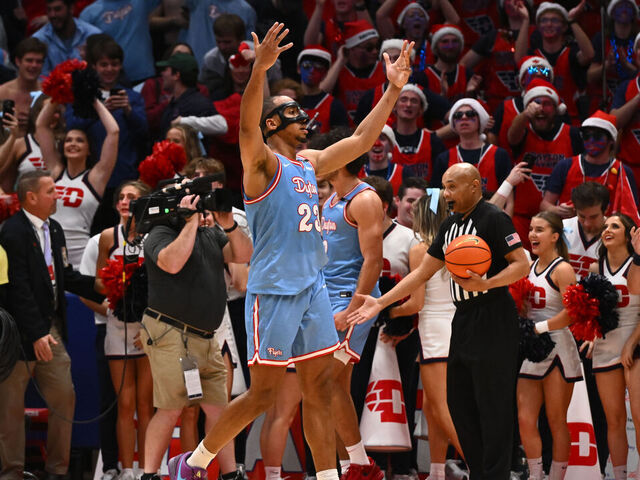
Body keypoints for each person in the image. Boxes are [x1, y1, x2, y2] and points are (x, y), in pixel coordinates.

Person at [165, 23, 414, 480]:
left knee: (319, 389)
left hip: (313, 289)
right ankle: (195, 461)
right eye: (296, 113)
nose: (307, 120)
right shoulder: (260, 163)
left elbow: (360, 141)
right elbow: (246, 122)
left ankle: (327, 476)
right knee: (264, 395)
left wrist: (392, 90)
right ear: (274, 123)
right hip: (274, 291)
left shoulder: (309, 163)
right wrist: (259, 70)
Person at [349, 163, 530, 479]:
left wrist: (487, 283)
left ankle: (498, 474)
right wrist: (380, 302)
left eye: (452, 187)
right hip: (462, 319)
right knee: (458, 405)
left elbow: (521, 264)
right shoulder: (450, 225)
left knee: (493, 405)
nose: (446, 194)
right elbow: (421, 273)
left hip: (494, 318)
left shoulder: (494, 218)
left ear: (474, 185)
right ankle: (480, 471)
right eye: (444, 187)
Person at [139, 182, 253, 480]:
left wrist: (228, 225)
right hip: (170, 333)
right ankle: (150, 474)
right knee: (170, 408)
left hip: (206, 337)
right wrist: (189, 223)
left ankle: (229, 474)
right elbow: (172, 263)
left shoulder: (209, 232)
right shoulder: (158, 234)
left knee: (218, 409)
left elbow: (243, 254)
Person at [0, 170, 104, 480]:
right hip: (18, 334)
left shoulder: (54, 228)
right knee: (10, 407)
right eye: (50, 191)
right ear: (31, 197)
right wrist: (36, 334)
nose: (57, 196)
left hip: (50, 329)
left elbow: (64, 276)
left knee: (64, 395)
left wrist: (101, 285)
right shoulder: (11, 232)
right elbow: (18, 290)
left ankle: (57, 470)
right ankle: (11, 472)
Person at [517, 211, 582, 480]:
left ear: (555, 236)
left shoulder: (563, 269)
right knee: (524, 418)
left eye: (540, 229)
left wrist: (539, 328)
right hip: (532, 347)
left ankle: (556, 476)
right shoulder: (527, 266)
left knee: (556, 420)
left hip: (557, 347)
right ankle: (535, 475)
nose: (532, 234)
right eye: (531, 228)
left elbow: (573, 312)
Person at [96, 180, 153, 480]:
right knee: (124, 403)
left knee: (146, 405)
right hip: (117, 326)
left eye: (132, 196)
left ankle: (146, 468)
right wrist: (115, 296)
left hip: (147, 328)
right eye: (121, 196)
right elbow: (96, 283)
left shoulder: (156, 236)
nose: (125, 201)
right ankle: (126, 470)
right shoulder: (108, 236)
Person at [66, 36, 148, 233]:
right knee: (95, 232)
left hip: (124, 176)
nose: (109, 69)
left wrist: (128, 110)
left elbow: (144, 132)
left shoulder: (132, 97)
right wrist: (100, 110)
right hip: (92, 177)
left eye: (114, 64)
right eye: (104, 64)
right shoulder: (82, 98)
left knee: (127, 230)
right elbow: (72, 125)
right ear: (94, 66)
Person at [412, 190, 463, 480]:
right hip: (454, 326)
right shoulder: (459, 245)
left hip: (433, 328)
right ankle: (436, 471)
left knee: (442, 409)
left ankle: (483, 467)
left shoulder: (421, 249)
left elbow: (416, 303)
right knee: (432, 406)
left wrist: (387, 313)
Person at [37, 97, 120, 268]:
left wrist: (94, 99)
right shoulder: (56, 171)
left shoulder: (95, 178)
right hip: (48, 252)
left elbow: (114, 132)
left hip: (80, 258)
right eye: (69, 140)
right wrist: (57, 94)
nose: (73, 144)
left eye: (79, 140)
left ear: (89, 150)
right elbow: (41, 126)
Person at [587, 213, 640, 480]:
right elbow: (591, 312)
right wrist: (590, 333)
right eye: (606, 226)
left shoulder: (637, 263)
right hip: (606, 348)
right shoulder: (597, 268)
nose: (607, 229)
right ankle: (618, 476)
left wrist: (632, 343)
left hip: (636, 344)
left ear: (630, 234)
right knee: (615, 420)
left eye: (615, 226)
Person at [507, 78, 583, 249]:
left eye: (547, 103)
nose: (540, 108)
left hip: (559, 220)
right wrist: (525, 115)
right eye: (536, 103)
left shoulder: (571, 134)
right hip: (523, 218)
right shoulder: (522, 132)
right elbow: (511, 137)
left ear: (557, 109)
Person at [542, 110, 639, 220]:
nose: (591, 141)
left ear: (611, 140)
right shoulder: (565, 166)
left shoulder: (622, 172)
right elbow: (545, 205)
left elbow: (631, 213)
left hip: (607, 232)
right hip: (568, 231)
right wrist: (557, 210)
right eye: (587, 136)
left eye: (597, 137)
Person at [514, 1, 594, 124]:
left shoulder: (571, 54)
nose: (549, 24)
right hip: (537, 120)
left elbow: (589, 55)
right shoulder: (534, 56)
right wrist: (525, 21)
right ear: (538, 26)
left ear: (564, 26)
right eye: (544, 20)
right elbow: (519, 59)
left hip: (569, 120)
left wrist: (572, 20)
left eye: (555, 20)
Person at [431, 98, 511, 193]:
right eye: (458, 115)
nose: (464, 117)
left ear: (480, 120)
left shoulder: (499, 155)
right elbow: (434, 195)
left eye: (470, 114)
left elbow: (508, 197)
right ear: (453, 124)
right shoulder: (443, 158)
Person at [80, 0, 160, 84]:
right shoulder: (89, 14)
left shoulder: (140, 2)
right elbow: (84, 50)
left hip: (144, 75)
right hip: (110, 78)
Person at [32, 0, 102, 76]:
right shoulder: (39, 40)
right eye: (49, 10)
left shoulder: (92, 35)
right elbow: (40, 78)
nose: (52, 15)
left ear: (71, 9)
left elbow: (101, 74)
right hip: (50, 87)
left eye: (57, 9)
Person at [392, 83, 446, 181]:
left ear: (421, 110)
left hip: (426, 195)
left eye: (414, 101)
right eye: (403, 100)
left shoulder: (433, 141)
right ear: (394, 106)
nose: (408, 105)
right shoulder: (386, 139)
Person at [156, 53, 215, 140]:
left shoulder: (199, 105)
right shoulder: (174, 103)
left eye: (166, 70)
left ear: (176, 75)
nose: (162, 73)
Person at [297, 45, 350, 133]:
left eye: (318, 67)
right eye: (307, 65)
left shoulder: (334, 106)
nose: (312, 70)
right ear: (298, 69)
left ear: (325, 74)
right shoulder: (287, 100)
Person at [0, 37, 47, 136]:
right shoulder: (3, 92)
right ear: (18, 61)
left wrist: (34, 121)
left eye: (38, 62)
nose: (34, 65)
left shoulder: (48, 93)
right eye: (29, 60)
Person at [361, 125, 403, 195]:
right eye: (372, 138)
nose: (377, 143)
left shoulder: (403, 173)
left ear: (390, 145)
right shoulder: (356, 174)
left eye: (382, 138)